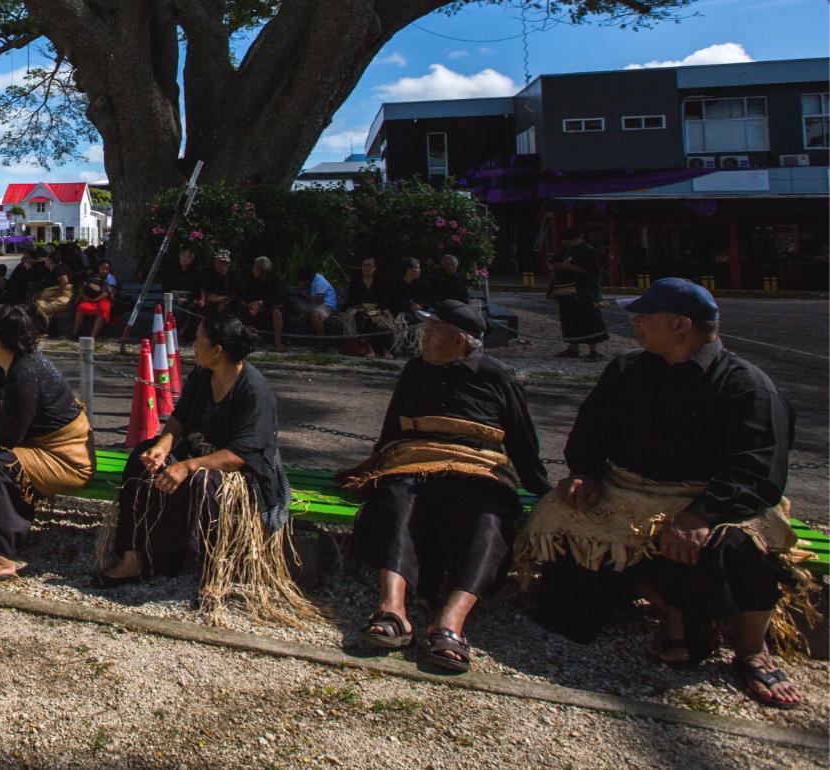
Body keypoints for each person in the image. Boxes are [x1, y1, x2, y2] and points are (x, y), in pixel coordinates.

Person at [521, 279, 801, 708]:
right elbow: (591, 431)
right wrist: (584, 474)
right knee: (564, 590)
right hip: (630, 491)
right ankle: (669, 607)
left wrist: (701, 514)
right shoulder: (628, 370)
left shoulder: (745, 385)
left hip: (714, 498)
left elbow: (758, 471)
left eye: (645, 316)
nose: (636, 322)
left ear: (680, 324)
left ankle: (751, 647)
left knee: (742, 550)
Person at [342, 300, 548, 672]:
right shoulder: (415, 369)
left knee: (489, 518)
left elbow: (522, 442)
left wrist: (544, 490)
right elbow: (393, 428)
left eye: (432, 331)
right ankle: (392, 609)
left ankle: (450, 622)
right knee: (396, 500)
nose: (423, 338)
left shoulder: (497, 376)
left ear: (457, 340)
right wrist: (375, 465)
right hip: (414, 461)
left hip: (477, 468)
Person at [96, 315, 294, 591]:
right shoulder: (203, 375)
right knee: (141, 460)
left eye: (199, 341)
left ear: (217, 350)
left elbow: (241, 453)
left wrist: (188, 466)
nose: (193, 346)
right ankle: (132, 557)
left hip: (240, 467)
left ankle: (214, 566)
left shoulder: (253, 390)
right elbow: (180, 420)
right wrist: (161, 447)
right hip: (198, 449)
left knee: (201, 482)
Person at [0, 305, 95, 582]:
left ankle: (0, 557)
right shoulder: (12, 363)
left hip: (65, 459)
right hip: (40, 448)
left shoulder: (25, 373)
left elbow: (7, 437)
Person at [549, 227, 608, 361]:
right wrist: (561, 266)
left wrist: (573, 268)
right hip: (565, 290)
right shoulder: (564, 249)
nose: (569, 243)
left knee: (590, 320)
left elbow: (593, 271)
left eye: (572, 241)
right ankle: (573, 347)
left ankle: (593, 350)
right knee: (569, 318)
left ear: (579, 238)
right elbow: (553, 262)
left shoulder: (590, 251)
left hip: (585, 291)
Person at [342, 256, 395, 358]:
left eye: (369, 266)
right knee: (363, 318)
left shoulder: (381, 281)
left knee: (382, 322)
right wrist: (360, 306)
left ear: (374, 268)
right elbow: (351, 298)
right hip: (360, 308)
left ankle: (386, 349)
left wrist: (380, 309)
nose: (367, 268)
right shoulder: (356, 280)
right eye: (364, 266)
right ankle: (369, 349)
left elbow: (386, 297)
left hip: (377, 308)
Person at [236, 256, 286, 351]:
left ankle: (277, 342)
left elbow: (279, 297)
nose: (253, 270)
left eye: (256, 268)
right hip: (251, 306)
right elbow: (244, 294)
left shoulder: (275, 280)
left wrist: (261, 303)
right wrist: (251, 305)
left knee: (277, 311)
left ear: (263, 270)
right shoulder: (250, 278)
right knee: (240, 307)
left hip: (269, 307)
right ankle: (242, 340)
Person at [288, 266, 338, 343]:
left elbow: (319, 301)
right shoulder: (313, 280)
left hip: (327, 306)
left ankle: (321, 342)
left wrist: (303, 295)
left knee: (315, 315)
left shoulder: (320, 282)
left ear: (307, 279)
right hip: (316, 306)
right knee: (298, 306)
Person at [70, 260, 117, 340]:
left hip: (103, 299)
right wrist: (84, 296)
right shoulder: (93, 276)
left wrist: (95, 300)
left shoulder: (111, 278)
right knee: (81, 307)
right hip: (89, 298)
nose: (105, 271)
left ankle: (92, 337)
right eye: (103, 269)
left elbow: (107, 293)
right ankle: (75, 333)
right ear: (99, 268)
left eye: (107, 269)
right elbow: (82, 287)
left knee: (104, 311)